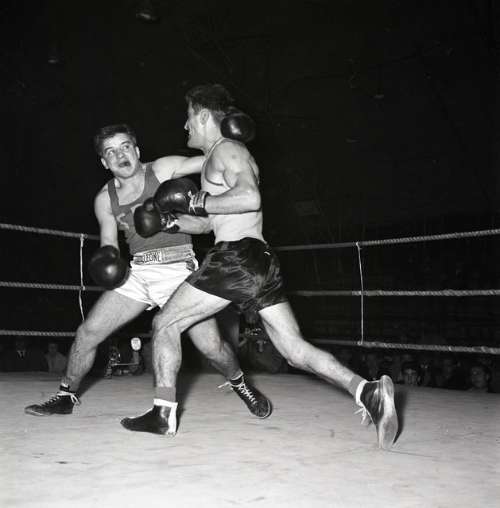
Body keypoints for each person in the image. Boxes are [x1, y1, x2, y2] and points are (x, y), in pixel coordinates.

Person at [123, 84, 399, 450]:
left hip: (235, 257)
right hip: (257, 260)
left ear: (203, 116)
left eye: (188, 116)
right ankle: (368, 391)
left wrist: (196, 200)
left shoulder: (228, 150)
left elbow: (250, 197)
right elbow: (211, 222)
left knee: (165, 323)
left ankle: (163, 413)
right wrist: (172, 222)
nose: (185, 125)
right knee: (294, 350)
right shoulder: (218, 159)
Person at [24, 123, 271, 422]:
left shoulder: (162, 169)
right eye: (111, 152)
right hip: (138, 272)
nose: (120, 156)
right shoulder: (104, 199)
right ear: (104, 162)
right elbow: (109, 245)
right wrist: (106, 262)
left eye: (125, 147)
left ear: (137, 150)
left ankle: (241, 384)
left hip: (179, 269)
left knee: (212, 347)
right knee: (87, 333)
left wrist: (233, 145)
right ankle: (65, 396)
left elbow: (211, 160)